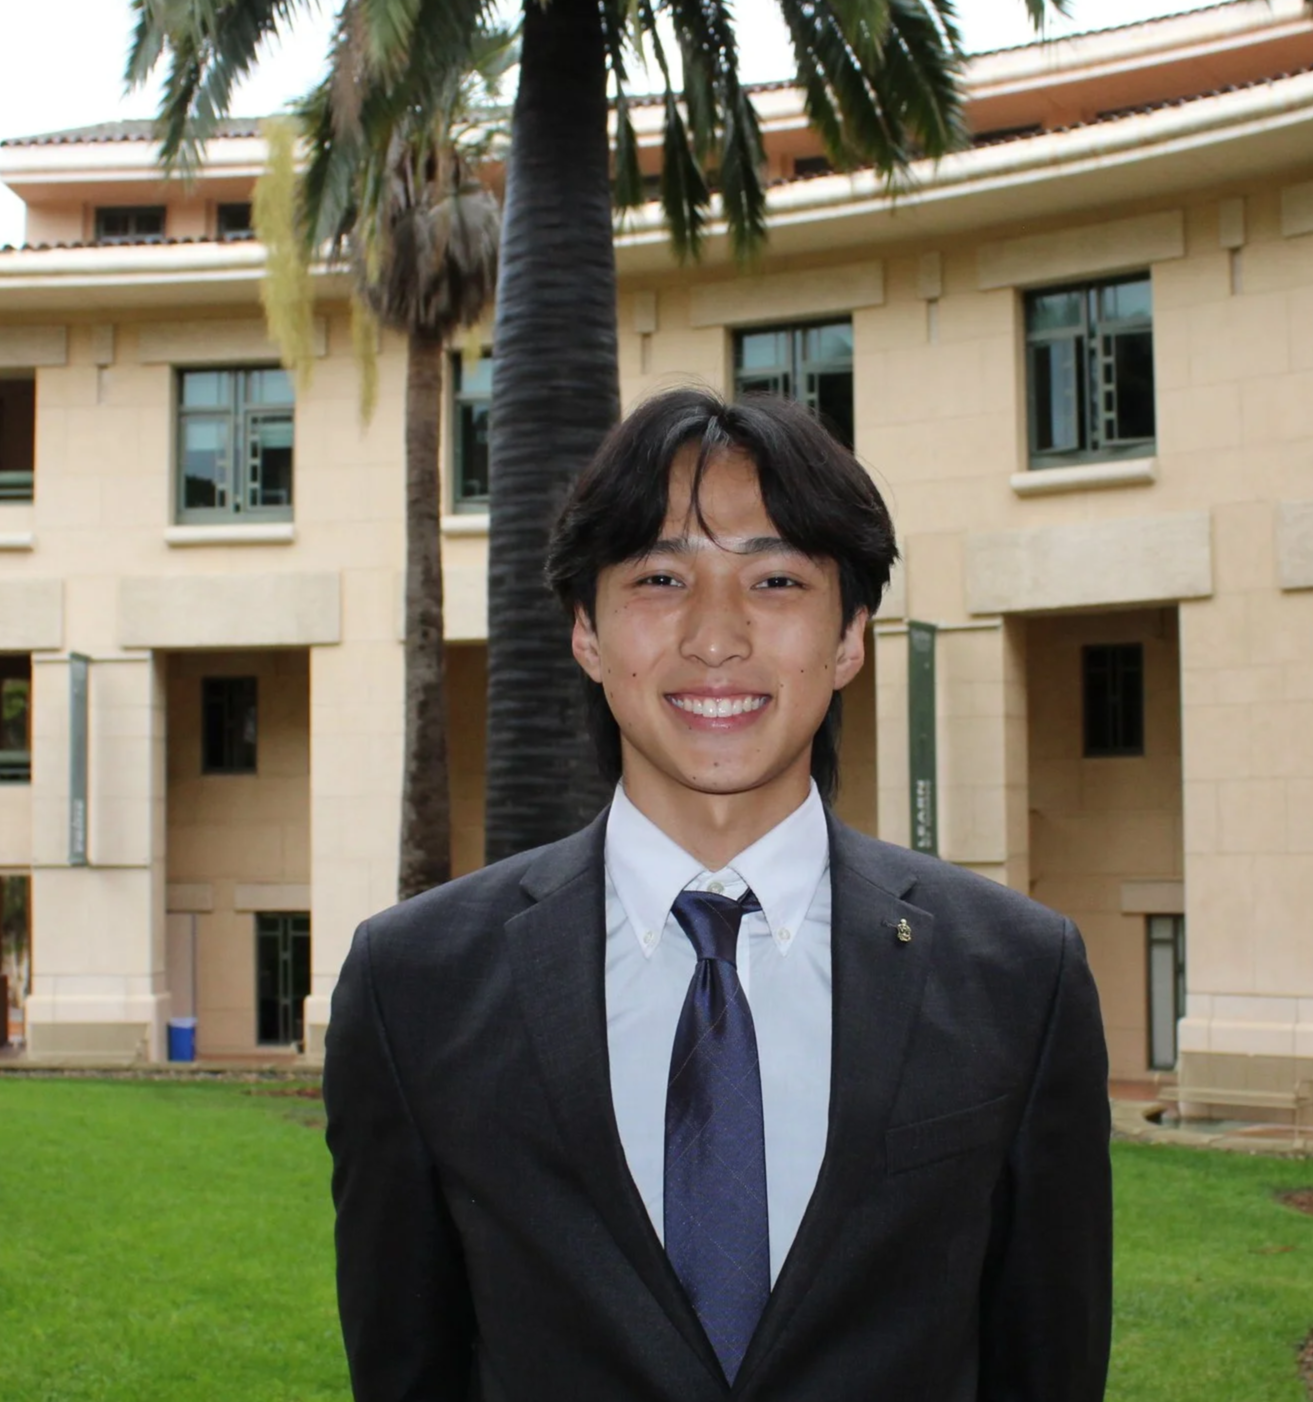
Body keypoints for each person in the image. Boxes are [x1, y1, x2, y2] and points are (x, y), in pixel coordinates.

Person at [324, 387, 1112, 1402]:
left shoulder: (1019, 978)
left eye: (775, 580)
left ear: (849, 636)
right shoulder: (415, 984)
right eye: (661, 577)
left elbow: (1046, 1364)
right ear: (586, 631)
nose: (715, 635)